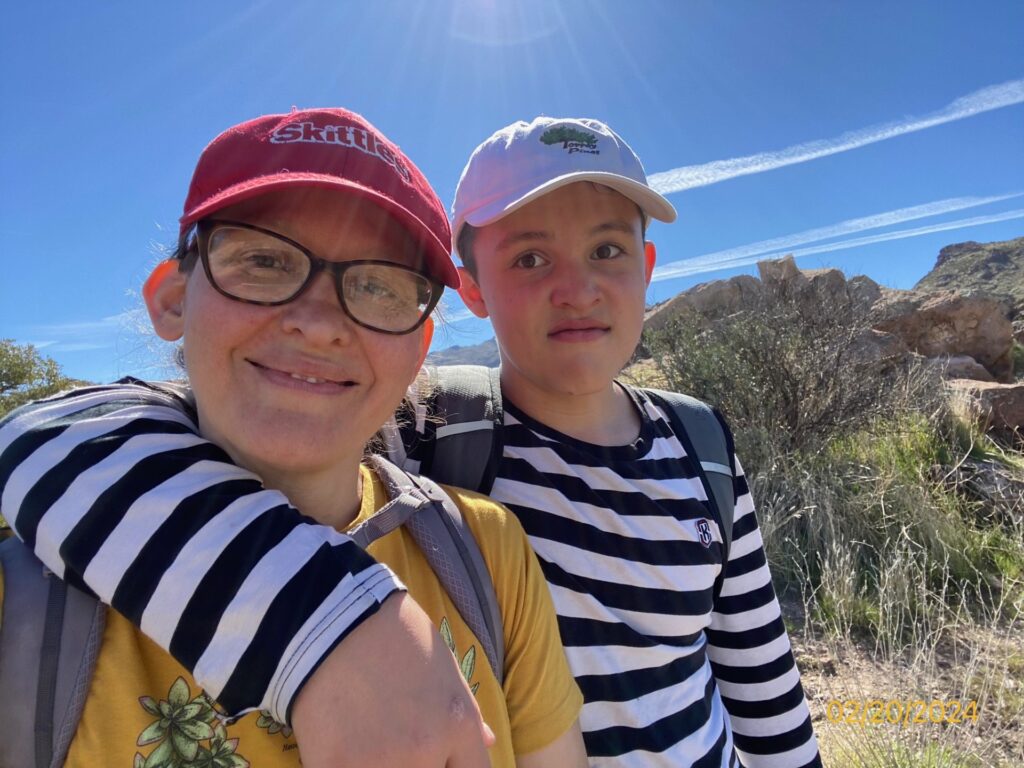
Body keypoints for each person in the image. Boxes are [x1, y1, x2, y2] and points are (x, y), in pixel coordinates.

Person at [0, 116, 822, 767]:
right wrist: (320, 619)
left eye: (607, 250)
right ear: (469, 290)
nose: (321, 323)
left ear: (646, 267)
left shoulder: (699, 444)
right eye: (530, 257)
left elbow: (761, 681)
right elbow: (48, 434)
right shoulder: (429, 431)